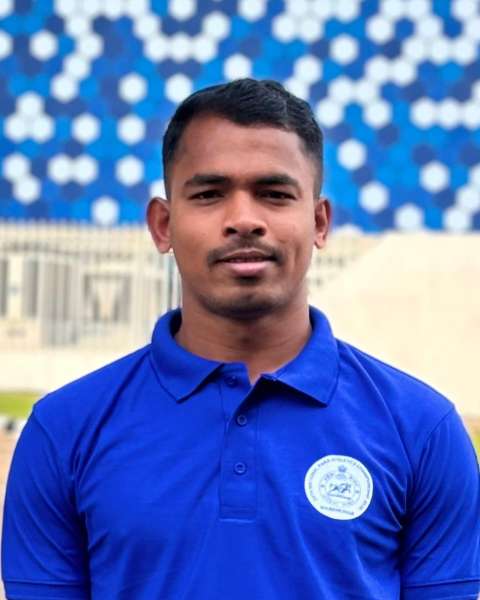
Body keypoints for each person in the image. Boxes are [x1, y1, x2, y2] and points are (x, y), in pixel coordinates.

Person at [2, 79, 479, 599]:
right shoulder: (64, 431)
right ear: (163, 225)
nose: (244, 220)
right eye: (209, 194)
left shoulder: (422, 431)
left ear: (319, 222)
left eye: (274, 194)